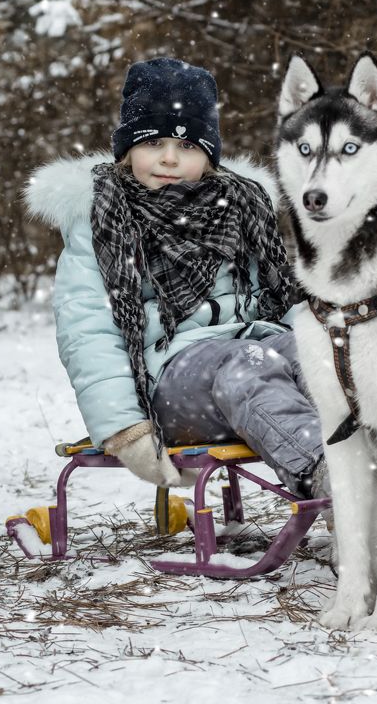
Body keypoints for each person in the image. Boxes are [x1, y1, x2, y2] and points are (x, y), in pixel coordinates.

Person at [26, 57, 325, 498]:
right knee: (247, 363)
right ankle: (330, 479)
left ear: (208, 155)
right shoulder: (103, 219)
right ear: (128, 150)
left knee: (319, 355)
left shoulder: (240, 207)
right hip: (169, 383)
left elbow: (278, 298)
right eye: (153, 142)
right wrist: (125, 427)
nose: (169, 158)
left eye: (186, 145)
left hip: (251, 349)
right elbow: (87, 329)